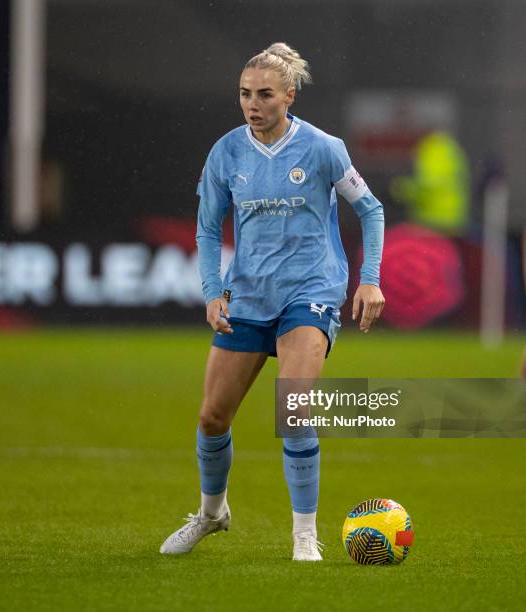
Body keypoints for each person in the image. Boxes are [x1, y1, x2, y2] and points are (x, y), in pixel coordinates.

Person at [159, 43, 385, 561]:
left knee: (295, 409)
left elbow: (370, 211)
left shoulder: (325, 148)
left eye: (263, 94)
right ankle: (212, 514)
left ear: (289, 95)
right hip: (250, 297)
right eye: (244, 94)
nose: (252, 104)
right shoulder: (226, 153)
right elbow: (207, 227)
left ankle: (304, 534)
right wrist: (213, 292)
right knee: (213, 419)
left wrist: (369, 279)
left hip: (311, 291)